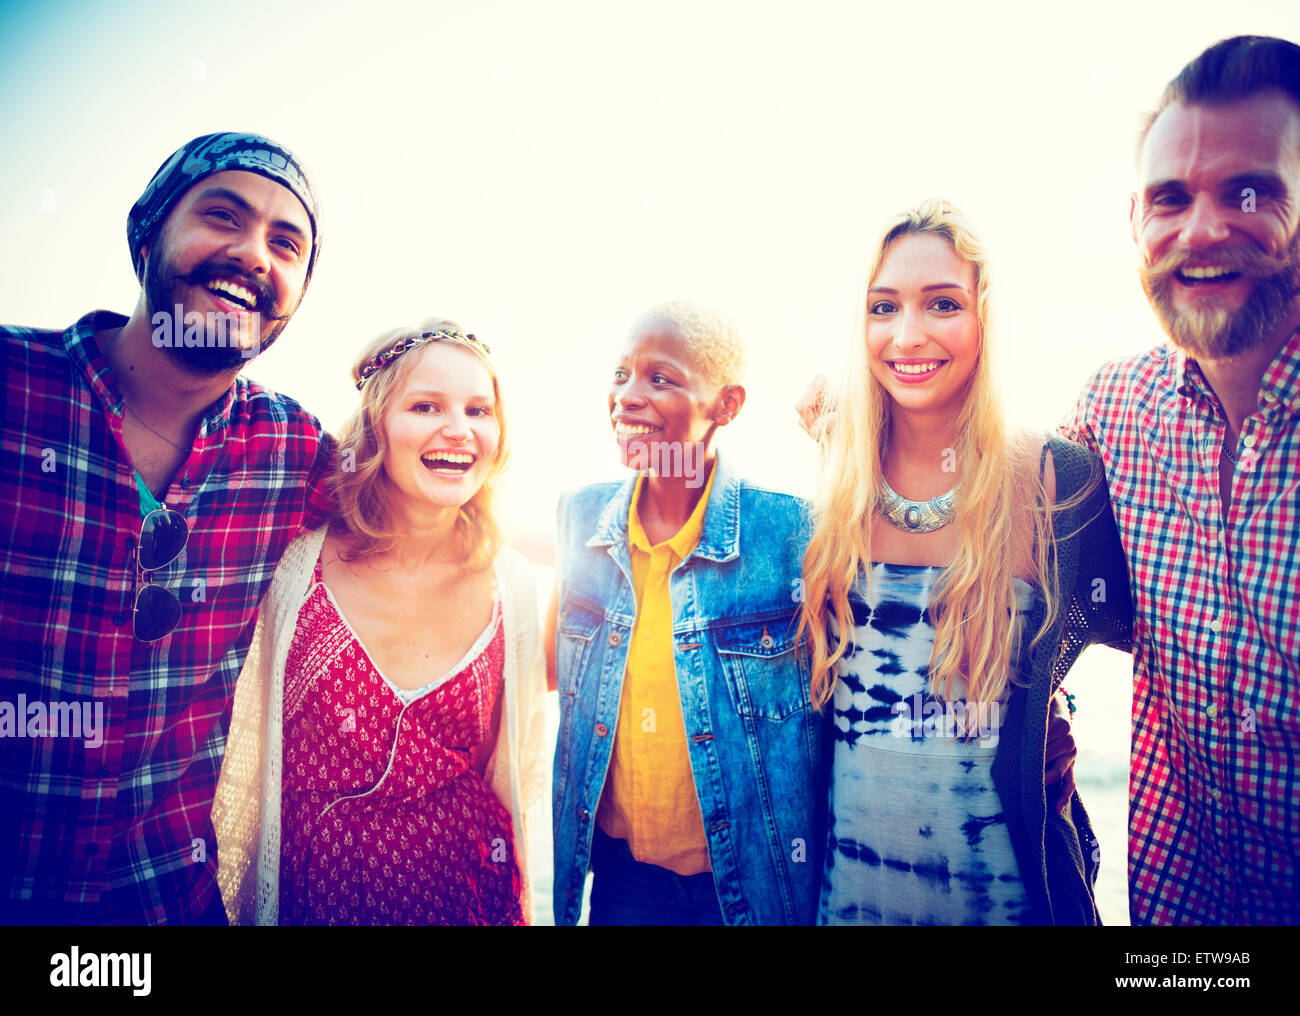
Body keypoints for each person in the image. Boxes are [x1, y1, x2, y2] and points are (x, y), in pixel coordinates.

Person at [0, 133, 333, 925]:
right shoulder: (14, 388)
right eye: (224, 216)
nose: (255, 255)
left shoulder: (294, 452)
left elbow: (414, 527)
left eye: (287, 244)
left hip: (165, 905)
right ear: (147, 232)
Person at [799, 200, 1131, 925]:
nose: (907, 334)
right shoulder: (833, 479)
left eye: (942, 304)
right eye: (882, 306)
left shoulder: (1057, 478)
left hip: (1013, 901)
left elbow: (1149, 631)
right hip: (848, 900)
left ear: (988, 317)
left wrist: (1049, 712)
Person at [1060, 35, 1300, 925]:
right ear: (1135, 222)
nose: (1202, 231)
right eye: (1170, 200)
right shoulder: (1114, 409)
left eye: (1252, 192)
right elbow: (1009, 545)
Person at [213, 321, 547, 925]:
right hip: (314, 899)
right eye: (426, 406)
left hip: (468, 899)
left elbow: (515, 768)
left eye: (479, 409)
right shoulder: (293, 565)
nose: (459, 429)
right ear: (376, 426)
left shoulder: (513, 588)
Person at [547, 301, 825, 925]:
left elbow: (870, 668)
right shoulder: (579, 517)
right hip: (627, 882)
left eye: (661, 378)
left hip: (754, 884)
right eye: (621, 374)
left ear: (727, 406)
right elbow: (545, 667)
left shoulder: (790, 531)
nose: (628, 396)